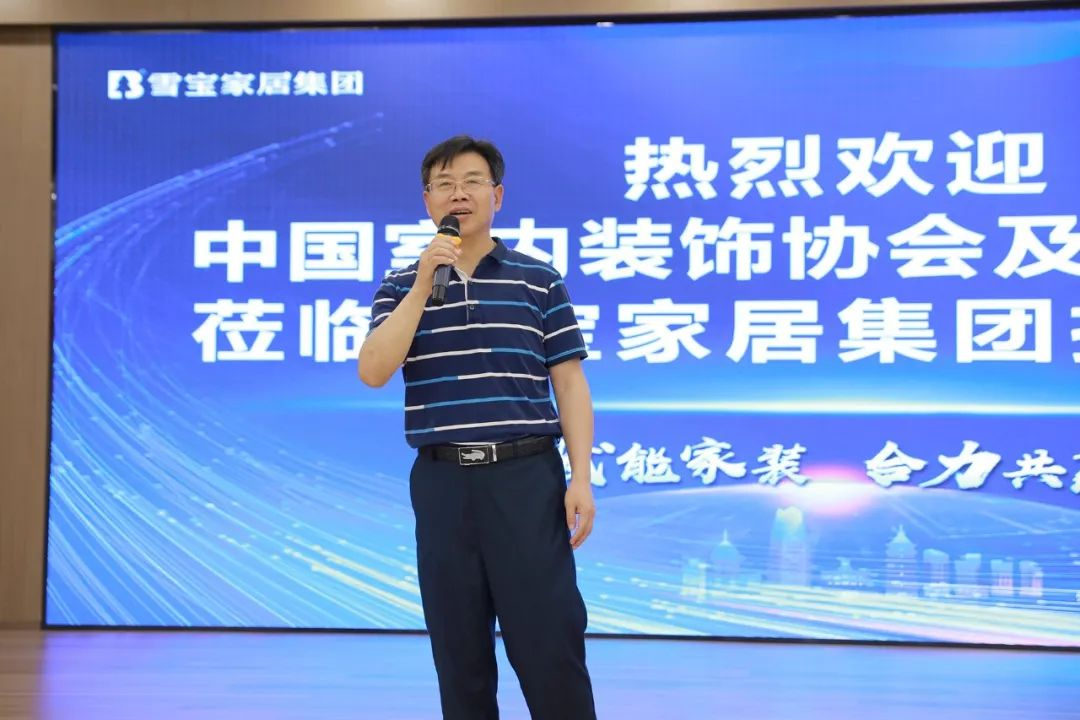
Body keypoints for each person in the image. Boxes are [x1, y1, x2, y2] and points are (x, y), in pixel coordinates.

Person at [357, 135, 598, 720]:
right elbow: (373, 370)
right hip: (443, 484)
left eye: (471, 182)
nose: (458, 194)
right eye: (444, 185)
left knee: (550, 643)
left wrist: (581, 478)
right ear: (427, 202)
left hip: (525, 478)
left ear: (497, 196)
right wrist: (423, 284)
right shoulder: (401, 285)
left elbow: (569, 384)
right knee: (458, 649)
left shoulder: (538, 280)